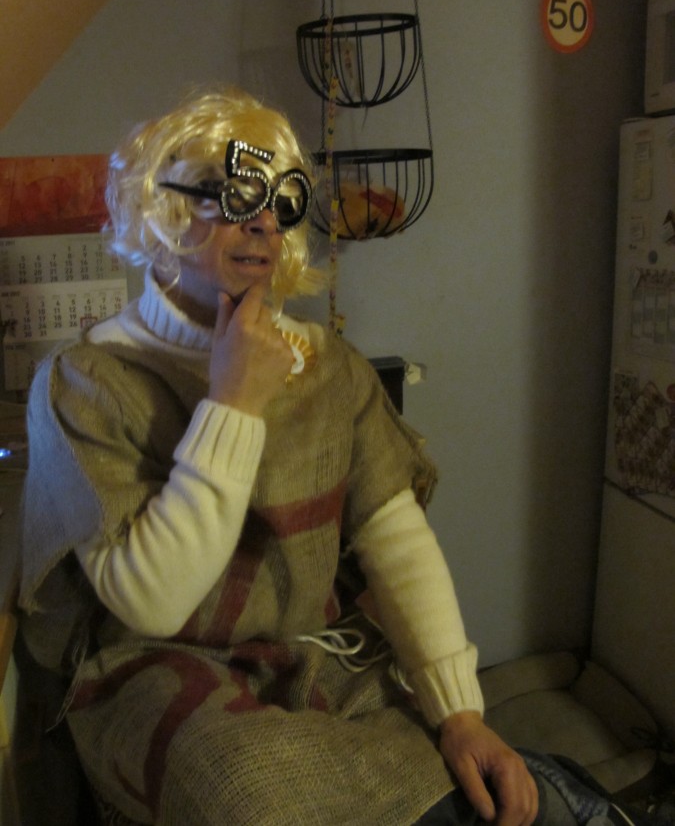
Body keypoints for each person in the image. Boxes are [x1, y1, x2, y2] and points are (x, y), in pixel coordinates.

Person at [19, 86, 539, 825]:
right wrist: (233, 401)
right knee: (250, 797)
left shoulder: (330, 368)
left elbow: (394, 537)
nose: (262, 222)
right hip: (153, 668)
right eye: (234, 194)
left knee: (457, 789)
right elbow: (152, 602)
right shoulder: (84, 383)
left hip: (313, 651)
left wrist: (459, 712)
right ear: (161, 210)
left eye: (281, 200)